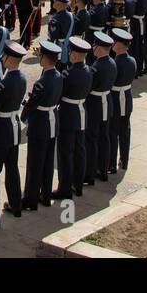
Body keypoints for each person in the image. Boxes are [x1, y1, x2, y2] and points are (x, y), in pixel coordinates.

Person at [0, 41, 27, 225]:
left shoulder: (3, 85)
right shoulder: (22, 78)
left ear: (10, 59)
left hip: (1, 128)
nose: (2, 58)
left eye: (4, 56)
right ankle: (16, 203)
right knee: (12, 168)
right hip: (14, 126)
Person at [21, 40, 62, 210]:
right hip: (53, 119)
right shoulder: (59, 76)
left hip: (40, 123)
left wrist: (24, 117)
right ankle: (45, 194)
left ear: (45, 58)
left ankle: (30, 198)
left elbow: (32, 104)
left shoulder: (42, 82)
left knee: (35, 162)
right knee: (47, 160)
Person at [55, 37, 93, 200]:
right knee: (79, 150)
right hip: (80, 111)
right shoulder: (88, 70)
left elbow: (60, 93)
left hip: (68, 113)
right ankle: (77, 185)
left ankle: (65, 187)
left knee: (66, 153)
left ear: (76, 54)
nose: (69, 54)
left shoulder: (68, 73)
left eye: (71, 51)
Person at [84, 32, 116, 185]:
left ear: (99, 48)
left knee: (92, 138)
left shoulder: (96, 66)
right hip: (106, 101)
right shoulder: (111, 62)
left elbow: (89, 87)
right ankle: (103, 169)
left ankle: (91, 171)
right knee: (104, 136)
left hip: (95, 103)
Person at [107, 29, 137, 173]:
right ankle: (124, 160)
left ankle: (112, 162)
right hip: (127, 97)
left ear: (119, 44)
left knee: (113, 131)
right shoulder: (132, 60)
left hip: (115, 98)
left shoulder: (114, 63)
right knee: (125, 131)